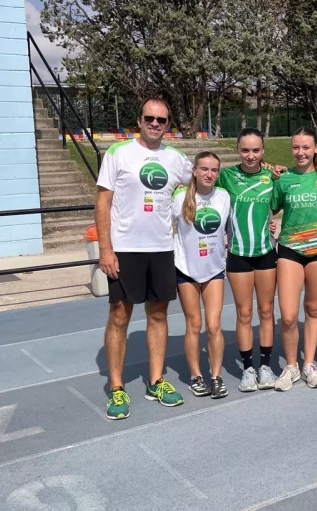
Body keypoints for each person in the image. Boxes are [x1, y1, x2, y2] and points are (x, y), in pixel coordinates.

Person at [96, 97, 192, 420]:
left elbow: (207, 177)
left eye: (161, 120)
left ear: (168, 125)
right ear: (139, 121)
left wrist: (265, 168)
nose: (154, 123)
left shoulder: (176, 159)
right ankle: (117, 387)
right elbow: (102, 202)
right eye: (149, 118)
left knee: (158, 315)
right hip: (125, 249)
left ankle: (156, 381)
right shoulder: (118, 153)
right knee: (119, 316)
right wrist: (105, 249)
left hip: (162, 249)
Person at [270, 128, 317, 391]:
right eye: (296, 147)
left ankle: (308, 364)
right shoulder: (283, 179)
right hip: (290, 250)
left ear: (316, 148)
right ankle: (291, 366)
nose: (300, 152)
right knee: (287, 316)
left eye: (306, 147)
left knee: (313, 309)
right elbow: (269, 208)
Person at [216, 129, 278, 393]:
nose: (250, 155)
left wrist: (274, 223)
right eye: (245, 150)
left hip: (266, 252)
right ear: (237, 150)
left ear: (263, 151)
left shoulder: (273, 177)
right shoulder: (226, 176)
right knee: (244, 313)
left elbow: (279, 205)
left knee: (266, 311)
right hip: (238, 254)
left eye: (255, 150)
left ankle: (265, 366)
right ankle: (248, 369)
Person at [173, 151, 231, 399]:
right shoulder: (180, 197)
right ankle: (196, 375)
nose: (209, 174)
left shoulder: (224, 196)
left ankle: (216, 376)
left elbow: (232, 226)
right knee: (194, 324)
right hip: (186, 268)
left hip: (214, 269)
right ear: (194, 171)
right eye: (204, 169)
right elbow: (161, 225)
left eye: (214, 170)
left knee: (214, 325)